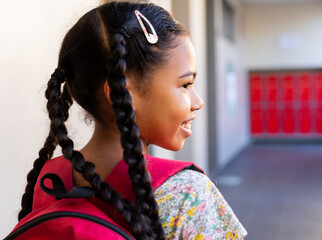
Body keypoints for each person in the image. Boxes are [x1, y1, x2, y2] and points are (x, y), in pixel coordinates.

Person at [17, 1, 247, 239]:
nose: (198, 101)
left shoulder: (48, 181)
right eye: (186, 85)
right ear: (122, 93)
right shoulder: (187, 194)